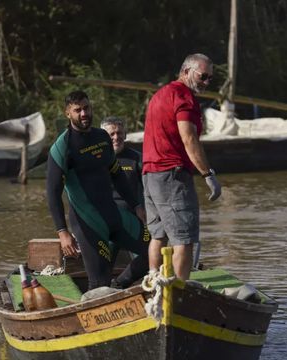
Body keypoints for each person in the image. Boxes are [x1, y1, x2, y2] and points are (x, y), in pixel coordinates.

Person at [46, 91, 149, 290]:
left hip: (114, 216)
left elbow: (116, 173)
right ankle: (98, 311)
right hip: (88, 224)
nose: (83, 113)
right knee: (99, 281)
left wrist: (137, 205)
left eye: (86, 108)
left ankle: (119, 287)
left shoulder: (102, 137)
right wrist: (62, 232)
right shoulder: (62, 147)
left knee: (154, 249)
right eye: (77, 110)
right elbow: (52, 192)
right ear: (68, 113)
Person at [142, 53, 221, 281]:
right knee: (183, 239)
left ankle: (153, 284)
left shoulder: (160, 94)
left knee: (158, 236)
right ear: (186, 71)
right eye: (203, 76)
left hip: (150, 174)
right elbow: (189, 138)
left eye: (210, 79)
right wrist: (208, 174)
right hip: (172, 175)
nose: (206, 82)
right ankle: (178, 293)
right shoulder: (183, 97)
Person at [100, 116, 143, 213]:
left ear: (125, 135)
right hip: (105, 214)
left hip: (133, 214)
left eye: (119, 133)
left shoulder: (137, 158)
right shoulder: (96, 159)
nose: (116, 137)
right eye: (112, 134)